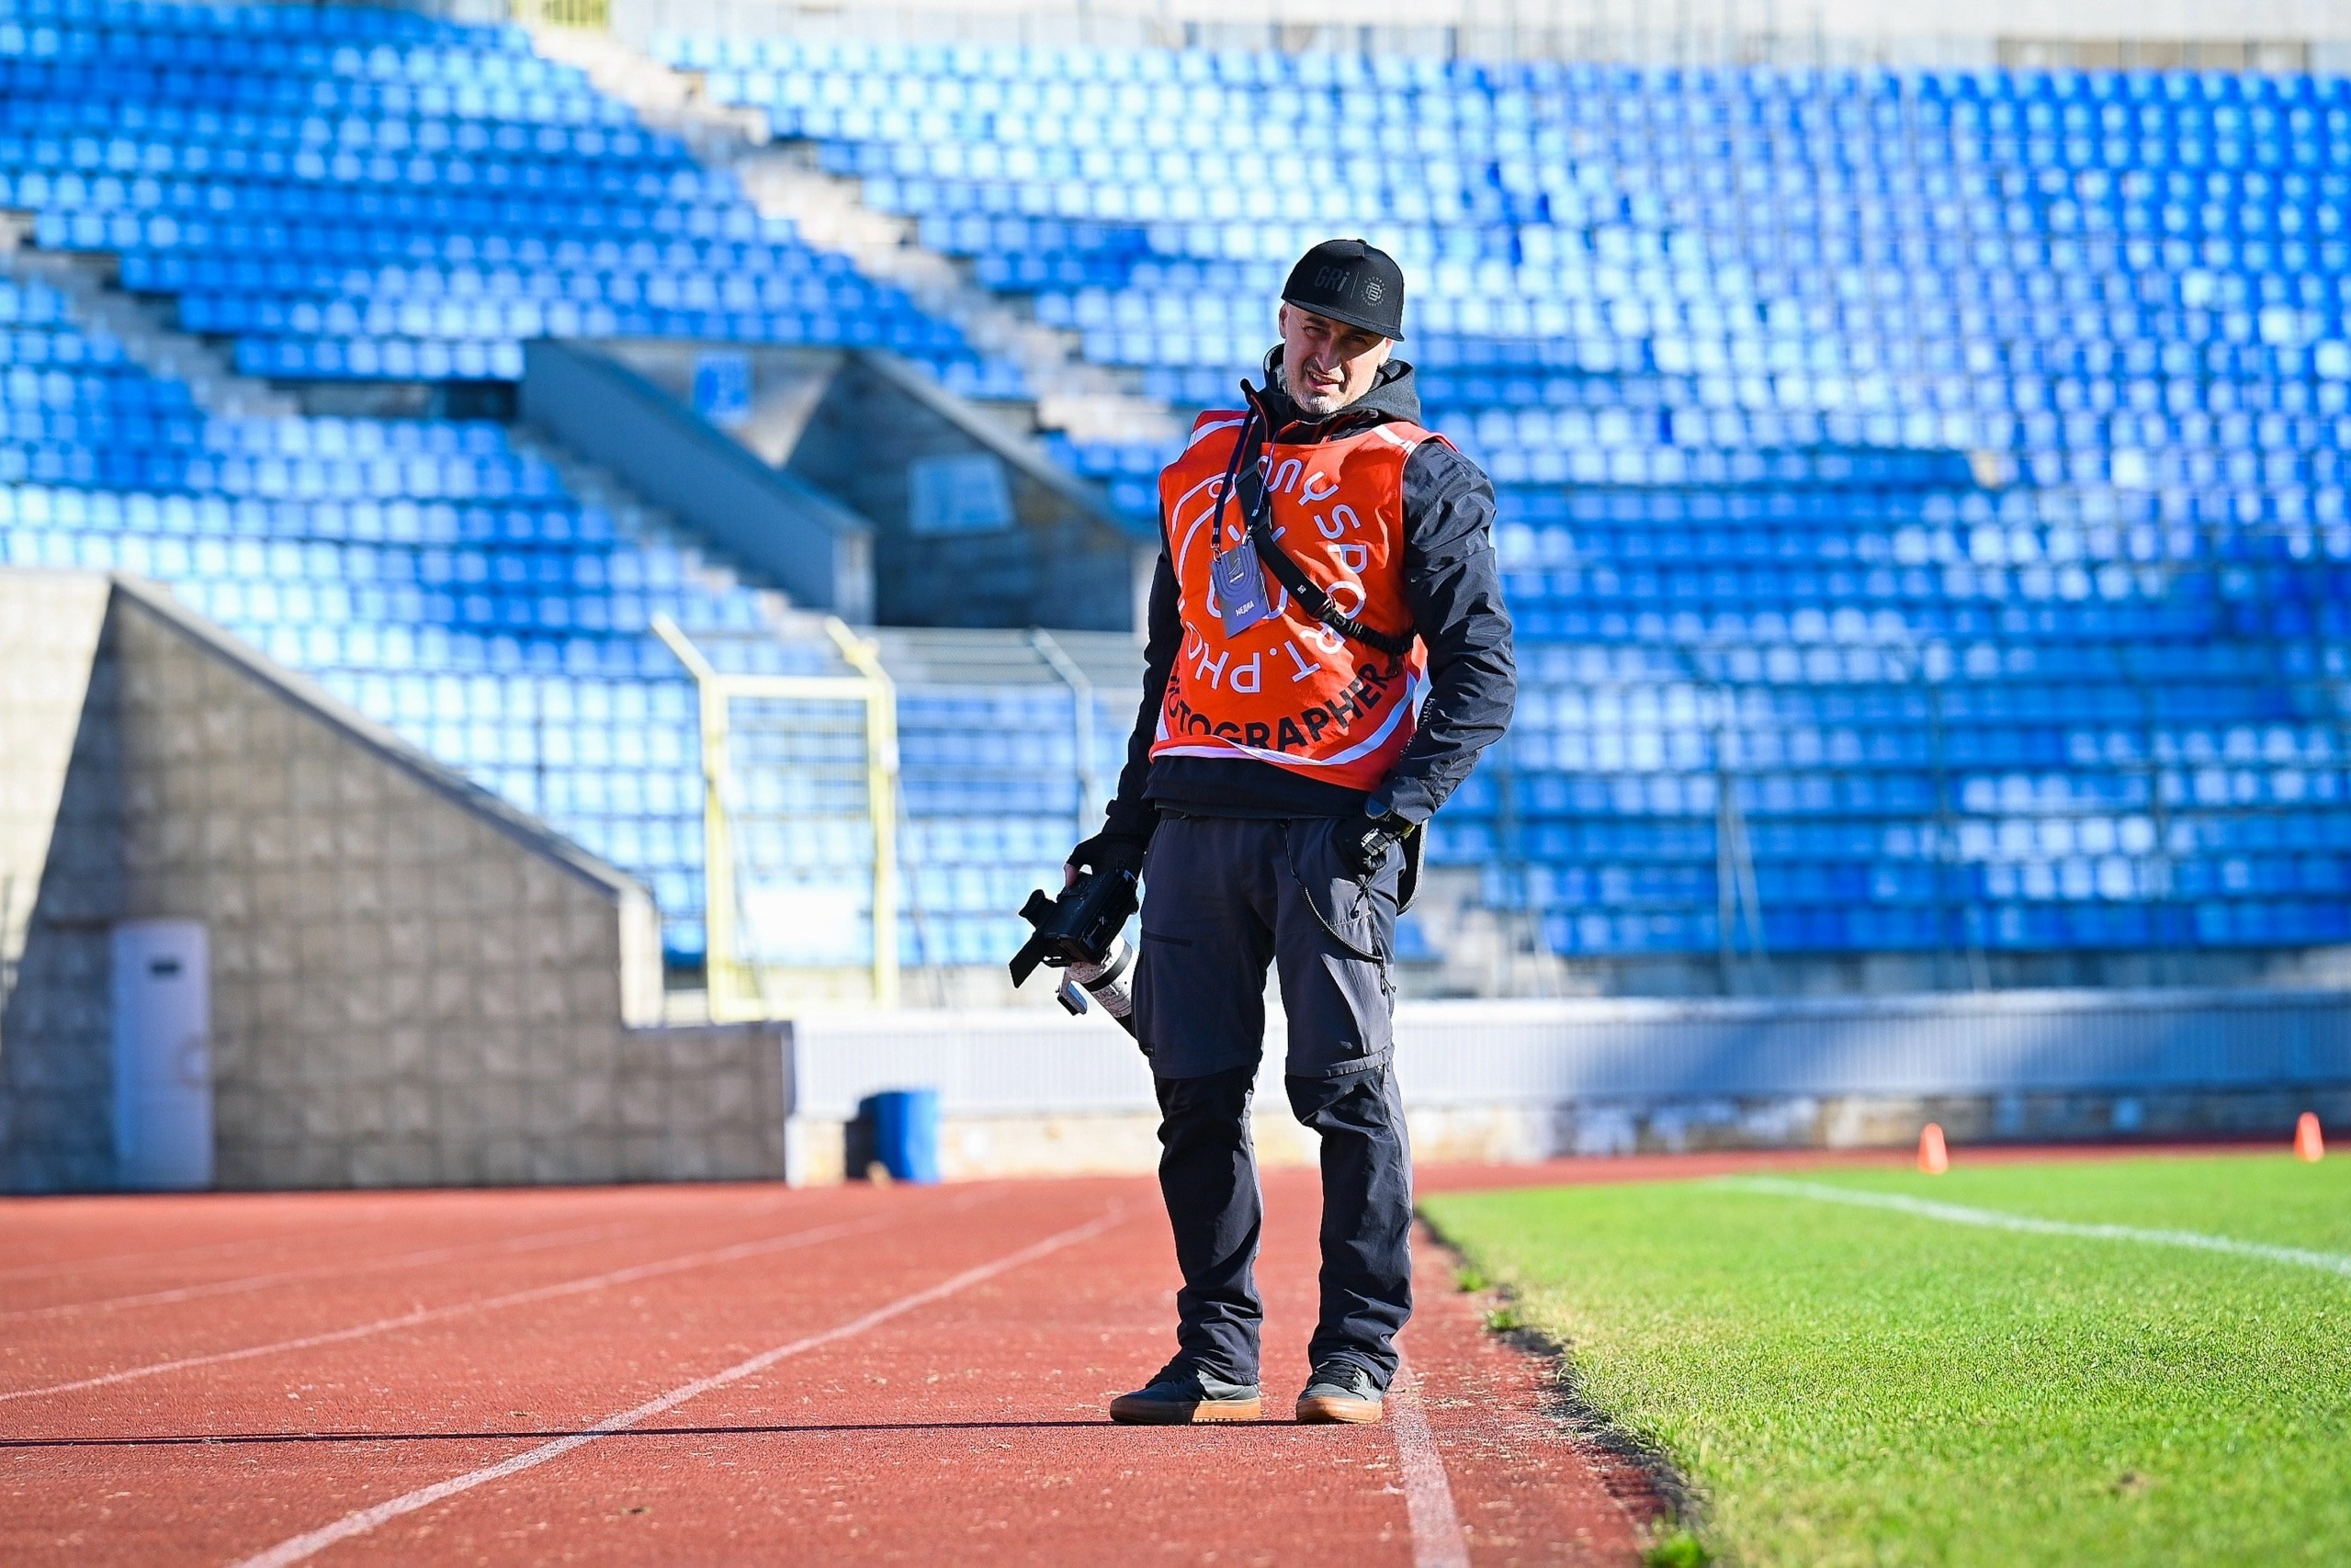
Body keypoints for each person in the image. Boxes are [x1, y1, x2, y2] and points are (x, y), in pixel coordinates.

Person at [1067, 238, 1516, 1426]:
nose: (1329, 356)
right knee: (1195, 1098)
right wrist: (1118, 849)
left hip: (1331, 832)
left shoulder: (1422, 475)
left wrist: (1395, 812)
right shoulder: (1202, 460)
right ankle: (1216, 1357)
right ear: (1282, 322)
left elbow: (1483, 677)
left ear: (1387, 353)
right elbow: (1167, 670)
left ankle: (1359, 1352)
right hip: (1195, 822)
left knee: (1346, 1090)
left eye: (1355, 342)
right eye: (1314, 330)